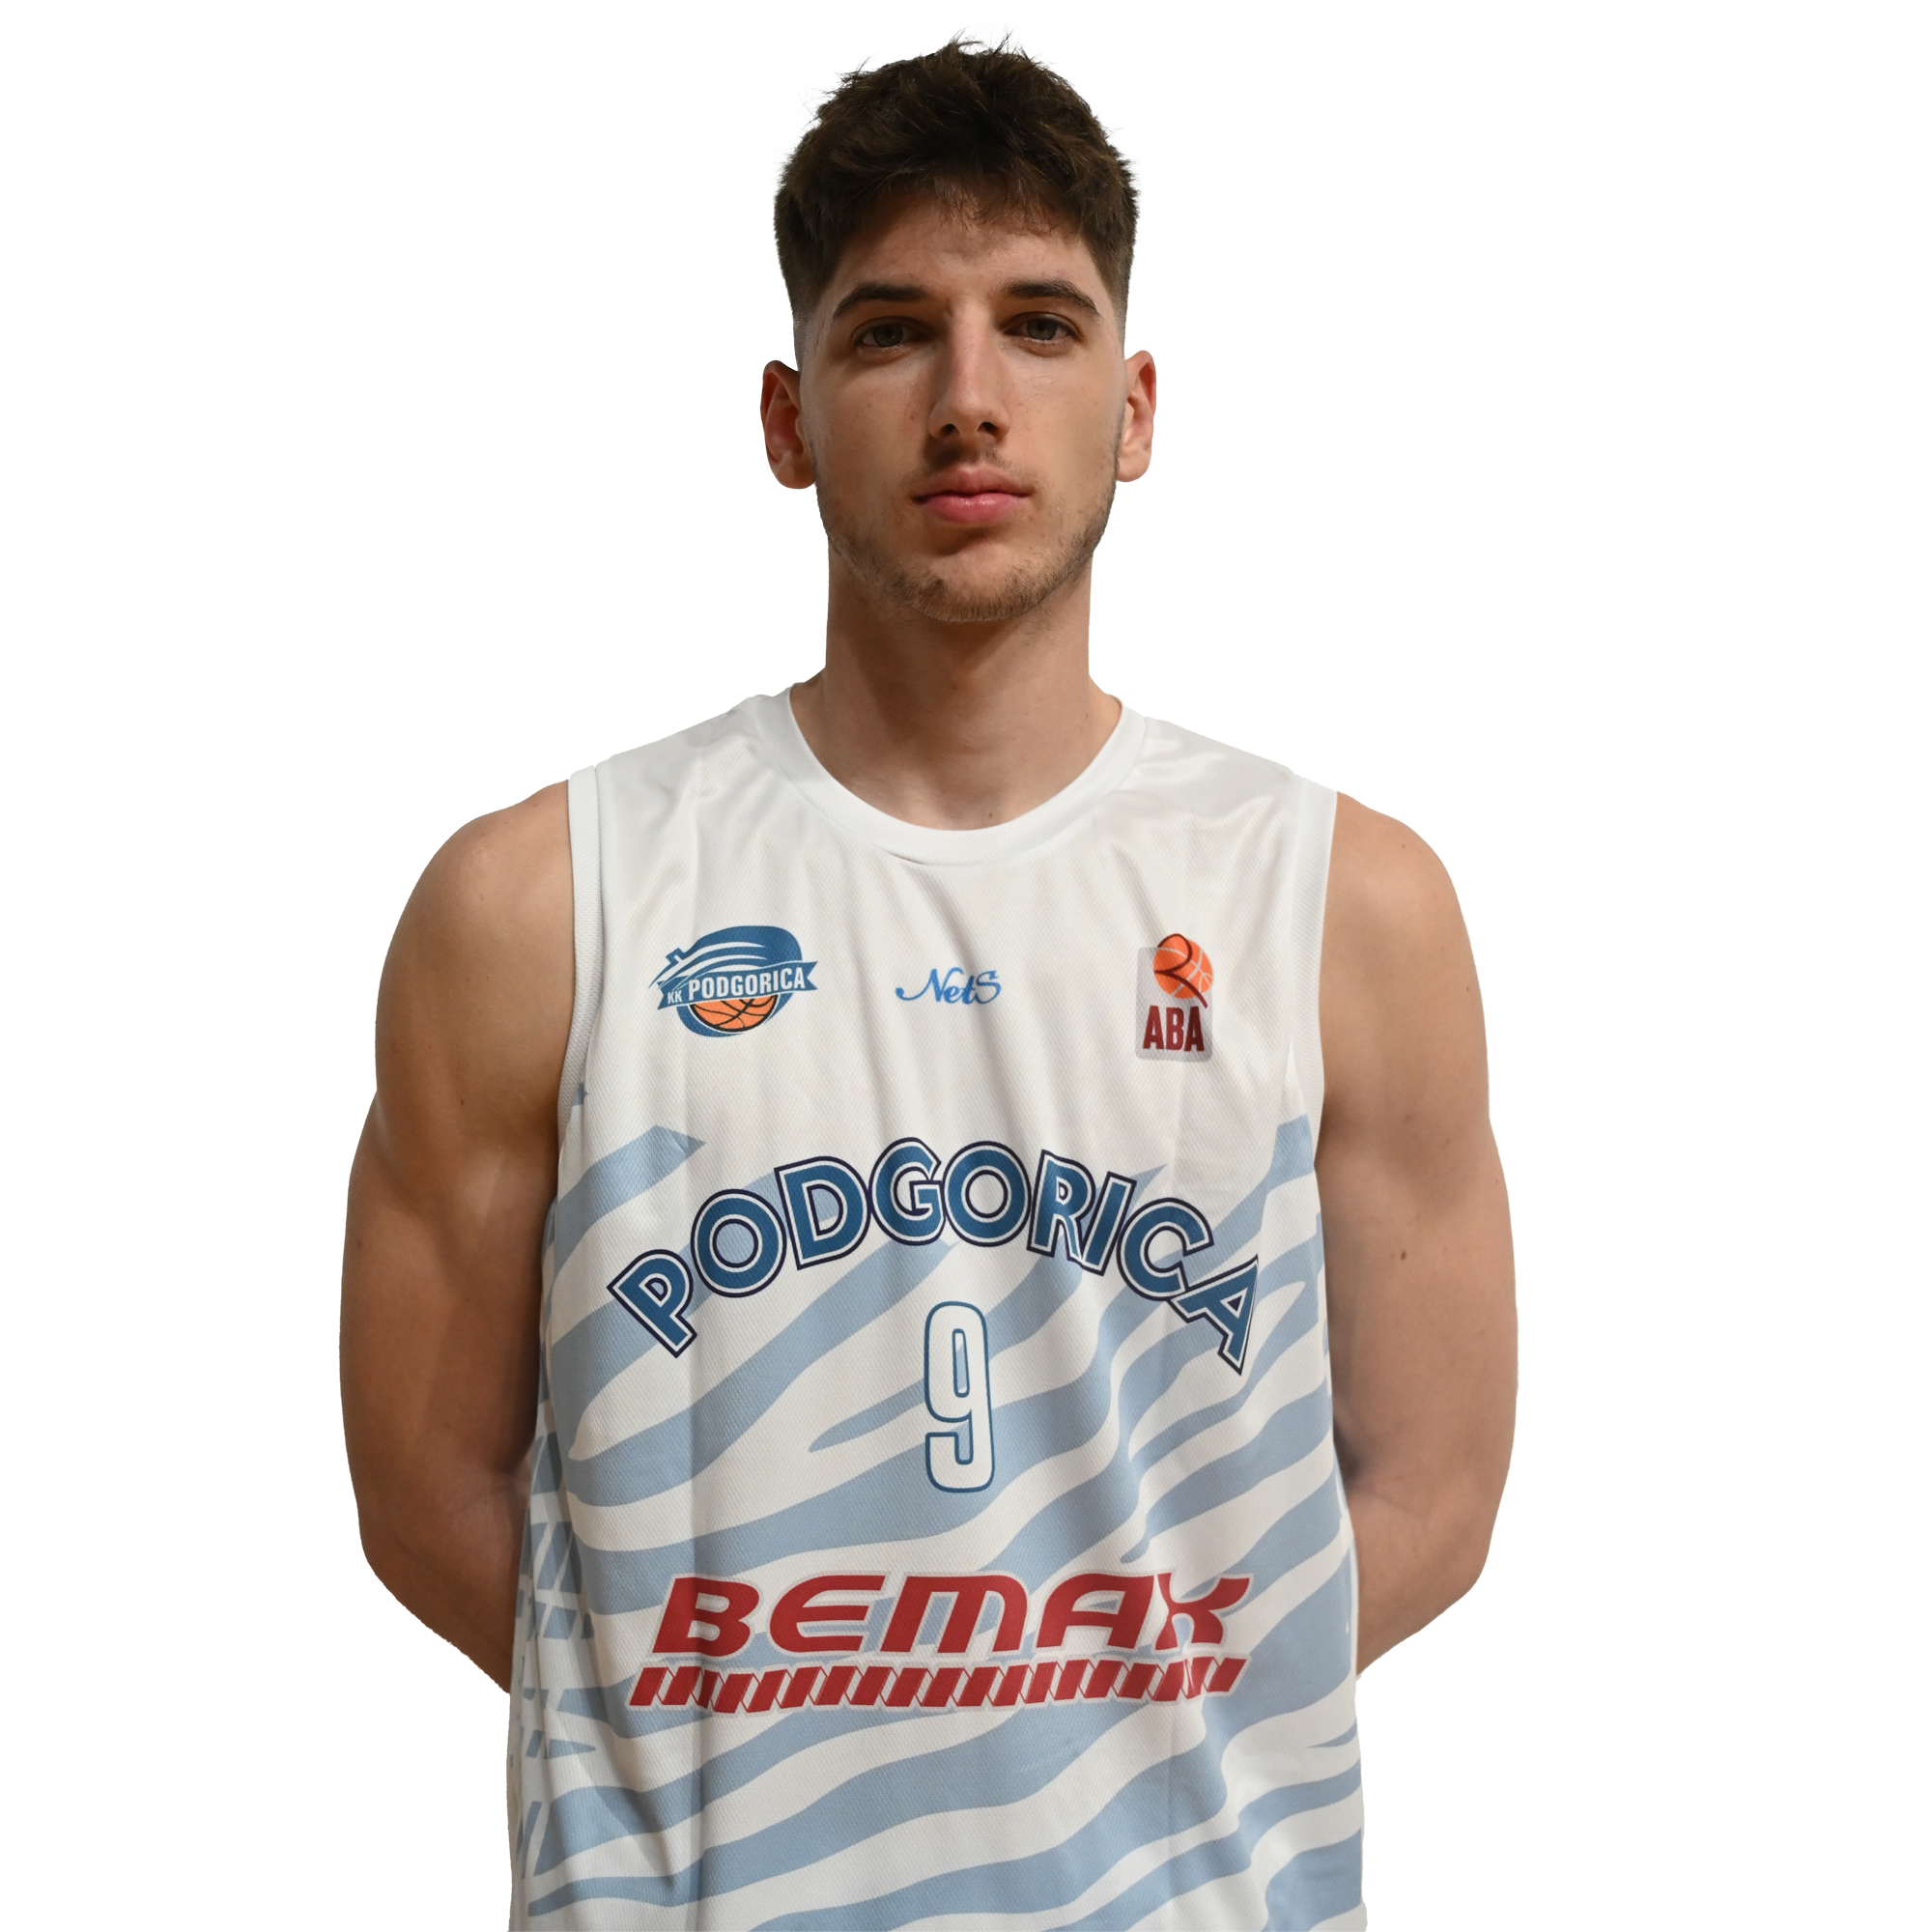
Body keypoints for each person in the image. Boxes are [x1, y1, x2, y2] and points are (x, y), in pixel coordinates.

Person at [342, 30, 1515, 1928]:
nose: (970, 399)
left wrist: (1096, 1739)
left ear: (1133, 405)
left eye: (1038, 326)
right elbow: (424, 1498)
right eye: (891, 332)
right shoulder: (542, 906)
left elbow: (1434, 1494)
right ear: (788, 416)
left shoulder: (1338, 904)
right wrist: (759, 1754)